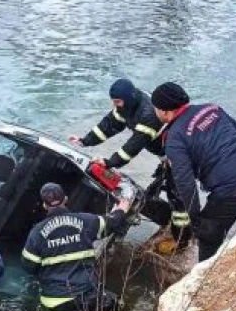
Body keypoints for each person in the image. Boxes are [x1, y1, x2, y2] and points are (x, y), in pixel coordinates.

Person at [151, 82, 236, 263]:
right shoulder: (211, 109)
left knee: (208, 233)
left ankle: (204, 281)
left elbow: (185, 183)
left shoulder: (174, 137)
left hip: (233, 191)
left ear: (164, 112)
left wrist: (196, 219)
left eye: (155, 109)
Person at [69, 79, 190, 243]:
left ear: (128, 98)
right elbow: (108, 126)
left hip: (179, 154)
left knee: (177, 196)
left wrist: (108, 162)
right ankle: (179, 229)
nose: (115, 105)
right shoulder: (126, 106)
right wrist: (84, 141)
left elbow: (132, 148)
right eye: (113, 102)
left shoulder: (148, 114)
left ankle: (182, 239)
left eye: (117, 102)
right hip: (166, 153)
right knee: (171, 191)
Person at [21, 183, 130, 311]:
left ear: (44, 205)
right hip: (85, 297)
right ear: (65, 199)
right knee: (119, 305)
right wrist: (121, 209)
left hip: (52, 302)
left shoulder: (36, 233)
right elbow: (112, 223)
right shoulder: (87, 221)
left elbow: (28, 266)